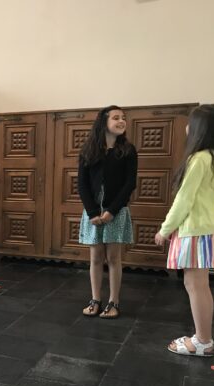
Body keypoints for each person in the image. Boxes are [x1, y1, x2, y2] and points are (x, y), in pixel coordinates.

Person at [155, 104, 214, 357]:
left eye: (191, 122)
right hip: (207, 230)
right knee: (199, 285)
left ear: (201, 129)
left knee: (195, 285)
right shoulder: (213, 157)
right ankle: (202, 338)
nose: (187, 126)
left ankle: (202, 341)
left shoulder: (198, 159)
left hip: (195, 231)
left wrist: (165, 230)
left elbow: (183, 201)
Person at [78, 105, 138, 318]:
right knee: (95, 258)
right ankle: (95, 299)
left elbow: (130, 183)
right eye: (116, 118)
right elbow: (82, 184)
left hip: (116, 211)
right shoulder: (88, 150)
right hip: (93, 212)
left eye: (123, 118)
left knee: (113, 258)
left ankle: (114, 302)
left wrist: (112, 210)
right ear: (104, 122)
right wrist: (92, 212)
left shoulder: (128, 150)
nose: (121, 121)